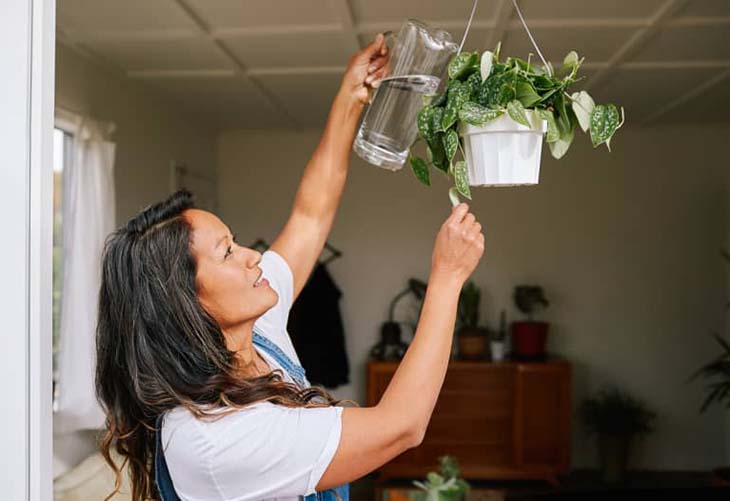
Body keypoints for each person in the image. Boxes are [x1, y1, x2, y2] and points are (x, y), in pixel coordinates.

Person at [95, 34, 485, 501]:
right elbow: (400, 427)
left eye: (236, 242)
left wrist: (350, 96)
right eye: (226, 252)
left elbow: (310, 215)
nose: (253, 255)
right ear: (185, 301)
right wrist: (448, 277)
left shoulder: (256, 335)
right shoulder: (212, 437)